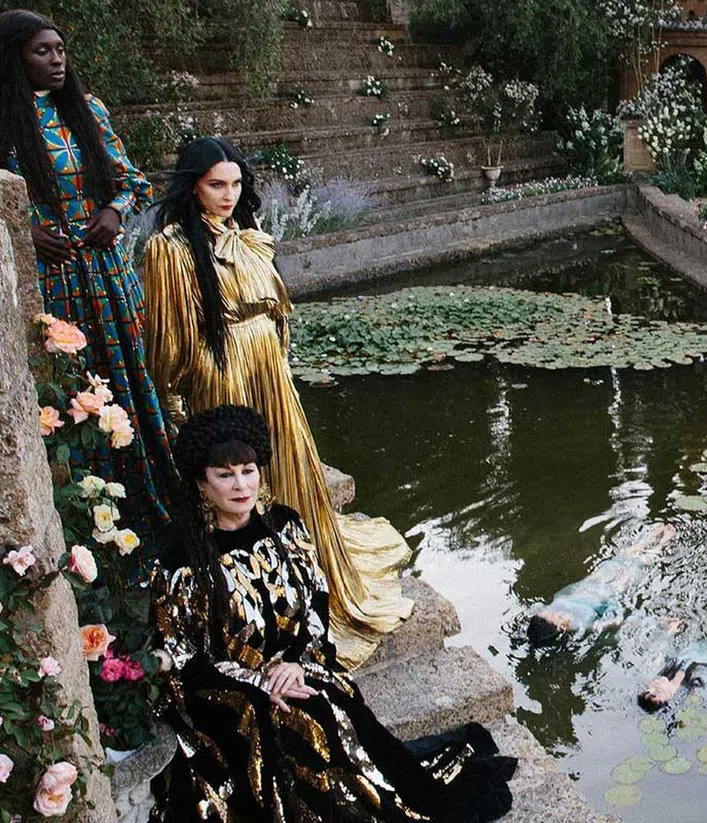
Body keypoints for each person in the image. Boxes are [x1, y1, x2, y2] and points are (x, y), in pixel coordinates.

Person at [150, 404, 516, 822]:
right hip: (232, 691)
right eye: (225, 474)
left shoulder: (285, 526)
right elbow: (180, 651)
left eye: (248, 471)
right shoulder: (185, 557)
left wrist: (295, 663)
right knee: (302, 724)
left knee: (332, 706)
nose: (240, 486)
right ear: (202, 482)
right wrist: (259, 683)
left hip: (297, 667)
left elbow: (315, 605)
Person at [143, 136, 412, 668]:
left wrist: (280, 359)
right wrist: (175, 399)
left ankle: (303, 573)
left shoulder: (251, 236)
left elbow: (277, 308)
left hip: (269, 366)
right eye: (216, 184)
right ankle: (245, 595)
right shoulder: (170, 248)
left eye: (236, 183)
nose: (228, 194)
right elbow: (168, 339)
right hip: (220, 370)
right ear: (192, 185)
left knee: (287, 463)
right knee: (238, 472)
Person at [0, 9, 174, 550]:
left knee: (125, 382)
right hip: (50, 284)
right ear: (13, 59)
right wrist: (24, 228)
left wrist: (115, 213)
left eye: (59, 50)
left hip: (106, 275)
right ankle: (88, 525)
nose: (56, 60)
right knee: (71, 397)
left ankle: (154, 507)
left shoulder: (86, 109)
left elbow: (134, 182)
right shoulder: (3, 120)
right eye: (41, 51)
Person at [527, 524, 676, 646]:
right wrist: (656, 621)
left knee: (623, 557)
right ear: (559, 628)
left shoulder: (545, 613)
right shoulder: (579, 625)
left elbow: (569, 592)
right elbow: (615, 622)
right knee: (637, 564)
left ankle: (648, 538)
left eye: (548, 611)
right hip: (611, 592)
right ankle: (663, 542)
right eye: (553, 616)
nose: (553, 611)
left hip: (592, 582)